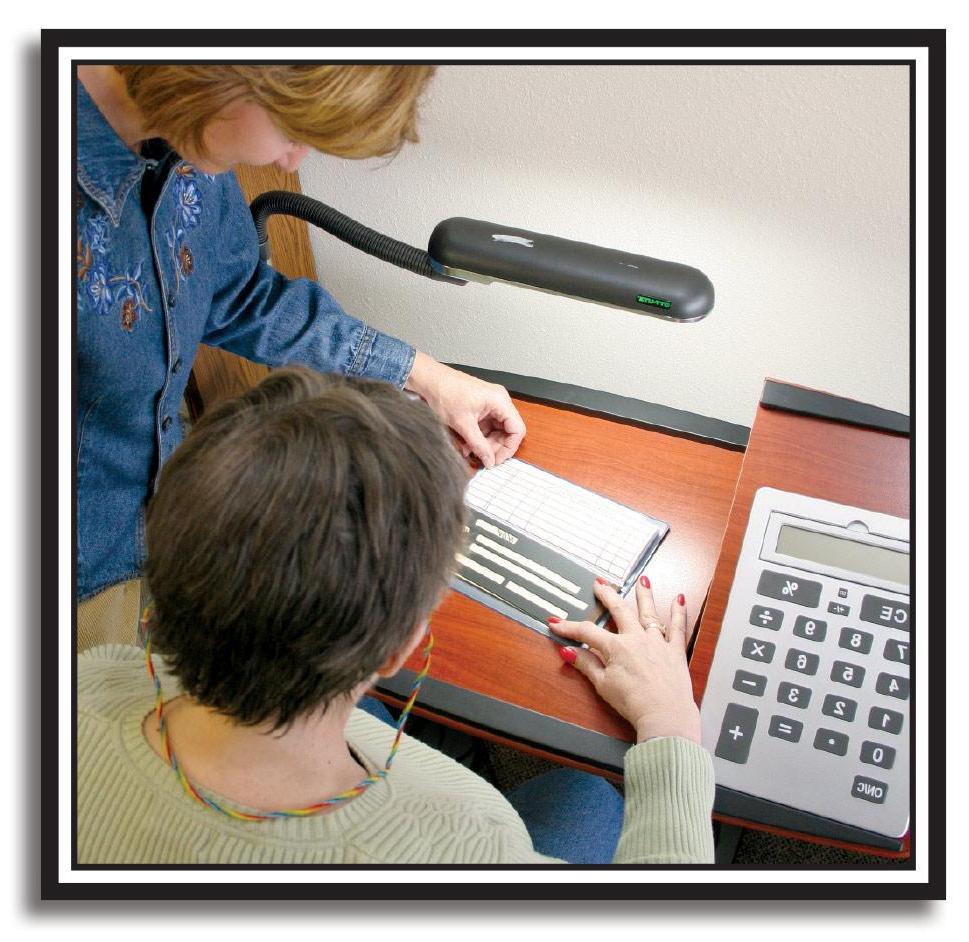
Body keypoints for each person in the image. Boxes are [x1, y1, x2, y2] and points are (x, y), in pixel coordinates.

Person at [77, 368, 715, 865]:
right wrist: (669, 723)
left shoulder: (88, 681)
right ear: (394, 652)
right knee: (588, 801)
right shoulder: (463, 850)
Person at [75, 64, 526, 650]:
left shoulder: (187, 137)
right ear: (216, 72)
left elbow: (239, 294)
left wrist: (423, 374)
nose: (293, 162)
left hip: (168, 526)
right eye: (293, 132)